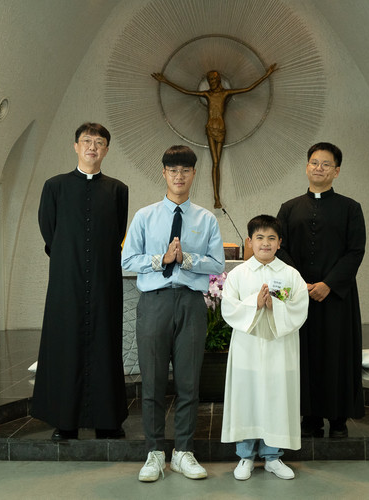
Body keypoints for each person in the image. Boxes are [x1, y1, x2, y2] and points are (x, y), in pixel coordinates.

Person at [122, 145, 225, 482]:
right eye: (173, 170)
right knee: (152, 381)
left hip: (191, 304)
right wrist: (161, 259)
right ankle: (154, 452)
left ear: (193, 174)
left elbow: (218, 263)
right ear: (164, 173)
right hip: (155, 303)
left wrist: (187, 259)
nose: (179, 176)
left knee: (188, 382)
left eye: (185, 170)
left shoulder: (206, 219)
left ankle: (183, 451)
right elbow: (127, 260)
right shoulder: (145, 216)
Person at [31, 122, 129, 441]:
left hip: (104, 279)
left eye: (99, 142)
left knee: (105, 343)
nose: (92, 147)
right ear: (76, 146)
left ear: (106, 150)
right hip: (67, 278)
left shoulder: (118, 190)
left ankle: (108, 420)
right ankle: (65, 421)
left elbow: (117, 232)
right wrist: (69, 257)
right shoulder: (55, 186)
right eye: (87, 141)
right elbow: (49, 230)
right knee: (65, 343)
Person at [276, 142, 366, 439]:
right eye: (314, 162)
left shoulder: (351, 208)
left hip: (337, 296)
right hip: (299, 296)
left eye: (326, 164)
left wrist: (329, 284)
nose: (319, 168)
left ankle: (339, 419)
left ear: (336, 171)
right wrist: (300, 284)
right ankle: (309, 417)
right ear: (306, 167)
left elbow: (355, 250)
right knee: (304, 355)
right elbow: (280, 248)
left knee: (337, 355)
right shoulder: (289, 208)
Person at [220, 215, 309, 480]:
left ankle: (273, 457)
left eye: (271, 238)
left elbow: (299, 308)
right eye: (259, 238)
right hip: (247, 349)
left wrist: (275, 306)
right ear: (249, 241)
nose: (265, 243)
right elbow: (229, 307)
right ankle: (245, 457)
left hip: (279, 348)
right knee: (247, 397)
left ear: (280, 242)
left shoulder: (290, 275)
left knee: (276, 398)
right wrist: (255, 304)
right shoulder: (238, 274)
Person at [152, 64, 277, 208]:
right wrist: (165, 81)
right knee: (215, 163)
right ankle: (216, 198)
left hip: (221, 129)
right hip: (210, 129)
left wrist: (267, 75)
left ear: (218, 80)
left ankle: (217, 198)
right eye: (209, 79)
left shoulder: (225, 94)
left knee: (217, 163)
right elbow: (186, 91)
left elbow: (248, 88)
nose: (211, 81)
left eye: (213, 79)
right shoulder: (208, 95)